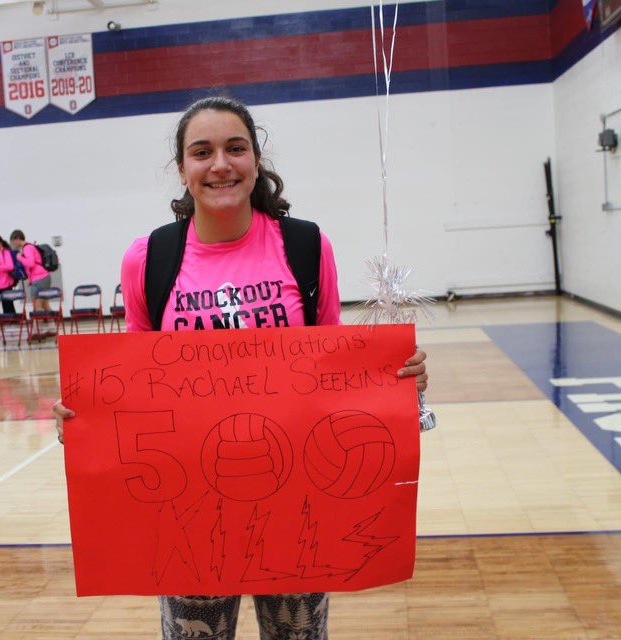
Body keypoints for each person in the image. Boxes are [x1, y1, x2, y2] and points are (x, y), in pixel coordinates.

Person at [52, 96, 429, 640]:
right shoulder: (149, 258)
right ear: (181, 168)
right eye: (202, 152)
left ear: (256, 158)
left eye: (235, 148)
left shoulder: (305, 245)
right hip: (189, 513)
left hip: (296, 503)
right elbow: (133, 384)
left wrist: (393, 381)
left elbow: (335, 367)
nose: (220, 165)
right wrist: (85, 413)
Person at [9, 230, 51, 312]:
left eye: (13, 242)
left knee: (37, 305)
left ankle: (38, 320)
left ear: (18, 239)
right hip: (41, 277)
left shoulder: (27, 248)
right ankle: (52, 319)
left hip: (40, 278)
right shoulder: (28, 247)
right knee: (44, 304)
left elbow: (30, 263)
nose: (13, 244)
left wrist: (19, 258)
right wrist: (30, 279)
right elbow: (29, 267)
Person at [0, 234, 17, 315]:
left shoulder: (5, 252)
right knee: (5, 304)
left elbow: (10, 266)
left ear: (0, 243)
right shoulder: (0, 253)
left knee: (8, 304)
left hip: (6, 282)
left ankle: (12, 319)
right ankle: (9, 318)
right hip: (1, 283)